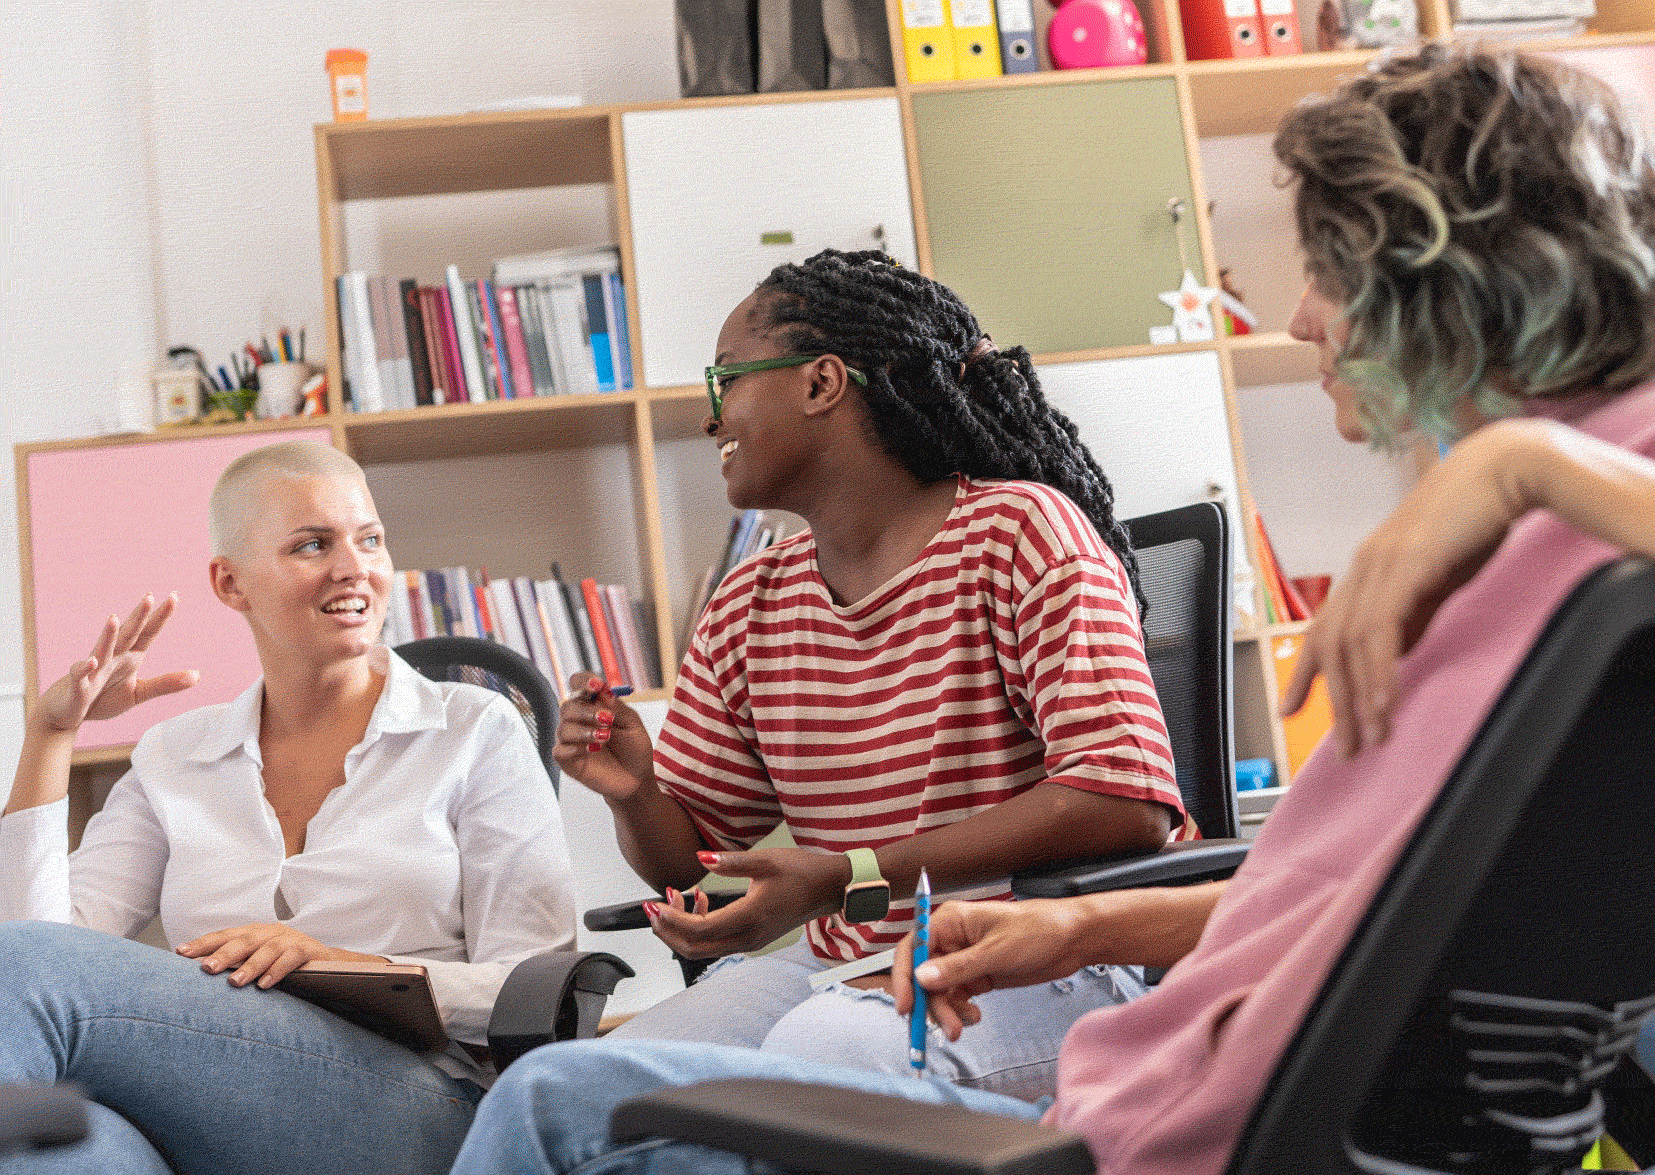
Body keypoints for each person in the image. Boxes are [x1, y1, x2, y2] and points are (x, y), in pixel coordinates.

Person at [447, 45, 1655, 1175]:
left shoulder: (1565, 505)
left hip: (1172, 1122)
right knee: (606, 1075)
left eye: (1326, 273)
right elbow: (1363, 894)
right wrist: (1075, 932)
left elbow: (1147, 810)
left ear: (1436, 274)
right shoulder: (1558, 531)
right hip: (1157, 1071)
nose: (1295, 319)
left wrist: (1513, 465)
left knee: (557, 1109)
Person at [559, 249, 1190, 1099]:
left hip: (1052, 956)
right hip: (843, 960)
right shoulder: (751, 597)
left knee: (820, 1065)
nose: (711, 422)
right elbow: (697, 863)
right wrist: (633, 791)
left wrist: (851, 872)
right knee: (590, 1087)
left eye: (726, 383)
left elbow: (1126, 800)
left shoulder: (1022, 534)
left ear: (821, 383)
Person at [0, 441, 577, 1175]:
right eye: (312, 544)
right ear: (230, 582)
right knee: (46, 1151)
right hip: (205, 1113)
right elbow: (40, 945)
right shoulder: (175, 754)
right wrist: (52, 734)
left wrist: (347, 966)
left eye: (368, 539)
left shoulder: (475, 729)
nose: (353, 567)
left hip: (417, 1107)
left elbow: (535, 992)